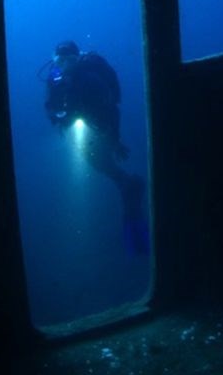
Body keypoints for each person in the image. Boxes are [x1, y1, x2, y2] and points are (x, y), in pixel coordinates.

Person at [42, 40, 149, 255]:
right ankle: (127, 184)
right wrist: (57, 117)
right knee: (98, 163)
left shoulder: (89, 78)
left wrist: (116, 140)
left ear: (77, 59)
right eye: (60, 61)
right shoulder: (54, 79)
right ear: (54, 62)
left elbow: (113, 109)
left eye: (69, 60)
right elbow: (51, 105)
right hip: (79, 126)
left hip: (99, 125)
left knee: (101, 161)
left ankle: (128, 187)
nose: (65, 65)